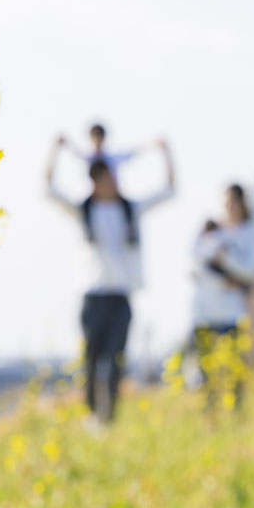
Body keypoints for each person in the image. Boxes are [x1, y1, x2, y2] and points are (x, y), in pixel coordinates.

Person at [46, 136, 175, 422]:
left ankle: (110, 417)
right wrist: (56, 151)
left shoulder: (130, 208)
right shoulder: (85, 210)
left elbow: (168, 190)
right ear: (94, 182)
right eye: (104, 179)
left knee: (117, 357)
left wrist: (166, 154)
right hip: (93, 295)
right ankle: (92, 414)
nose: (111, 183)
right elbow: (50, 189)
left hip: (121, 295)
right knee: (91, 360)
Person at [191, 184, 254, 406]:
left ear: (243, 203)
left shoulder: (250, 234)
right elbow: (193, 265)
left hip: (233, 313)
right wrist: (223, 278)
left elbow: (253, 270)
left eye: (233, 202)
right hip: (204, 312)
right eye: (226, 202)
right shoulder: (209, 230)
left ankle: (235, 418)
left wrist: (227, 262)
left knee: (235, 372)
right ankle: (209, 418)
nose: (229, 207)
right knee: (207, 374)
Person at [57, 123, 157, 184]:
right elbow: (76, 152)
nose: (97, 140)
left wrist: (153, 144)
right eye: (94, 136)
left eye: (100, 136)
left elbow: (133, 152)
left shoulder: (112, 158)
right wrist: (65, 142)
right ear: (90, 138)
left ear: (104, 138)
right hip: (94, 200)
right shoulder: (88, 157)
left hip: (113, 200)